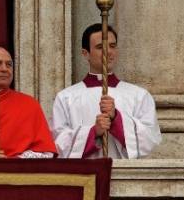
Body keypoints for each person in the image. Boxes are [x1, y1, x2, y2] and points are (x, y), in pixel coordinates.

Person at [51, 23, 161, 158]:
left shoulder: (139, 96)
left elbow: (150, 141)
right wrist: (93, 132)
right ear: (85, 54)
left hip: (126, 175)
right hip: (85, 175)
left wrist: (117, 118)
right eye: (100, 47)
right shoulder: (66, 97)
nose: (108, 51)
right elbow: (57, 144)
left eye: (112, 46)